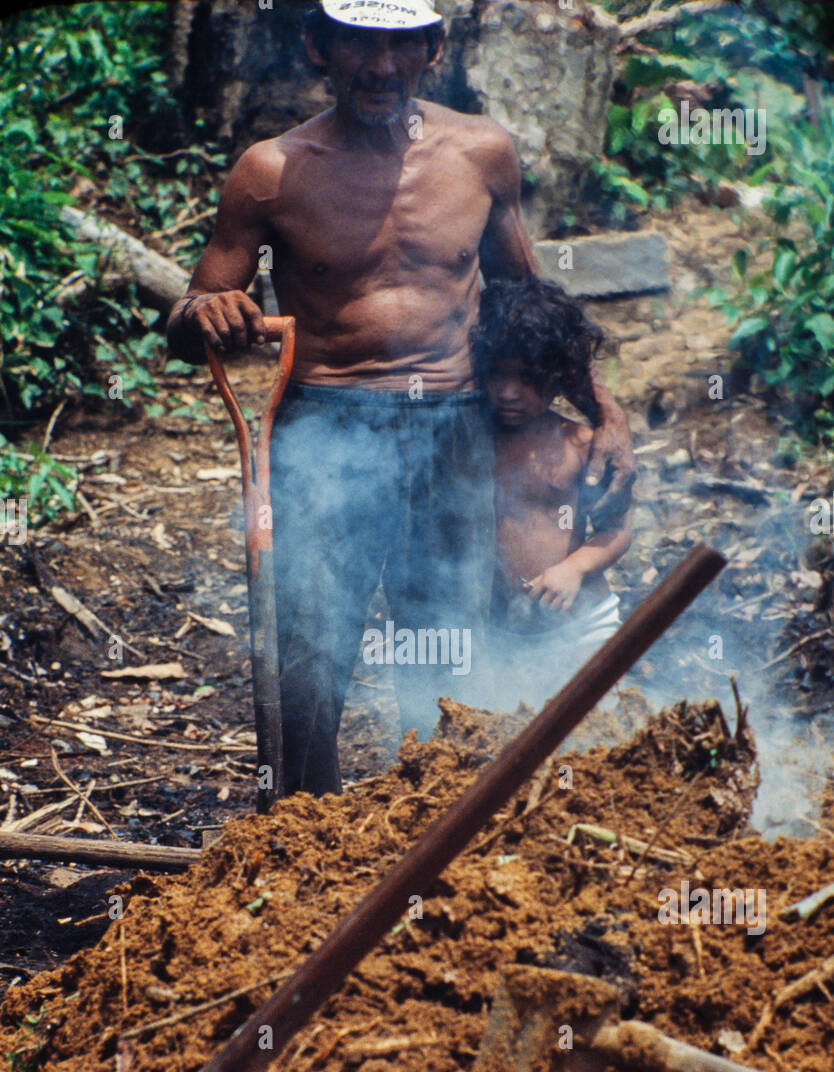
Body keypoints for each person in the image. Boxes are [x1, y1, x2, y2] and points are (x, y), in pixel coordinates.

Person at [166, 0, 635, 794]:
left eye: (399, 47)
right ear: (319, 45)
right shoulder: (271, 171)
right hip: (324, 426)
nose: (380, 69)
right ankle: (298, 826)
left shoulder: (482, 153)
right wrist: (204, 312)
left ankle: (438, 823)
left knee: (447, 635)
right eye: (359, 45)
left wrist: (604, 409)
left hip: (453, 426)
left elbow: (531, 304)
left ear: (433, 48)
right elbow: (188, 321)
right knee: (309, 645)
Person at [471, 278, 633, 710]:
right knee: (515, 739)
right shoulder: (469, 441)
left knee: (594, 737)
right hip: (505, 634)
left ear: (558, 377)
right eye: (497, 374)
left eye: (526, 379)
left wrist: (575, 569)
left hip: (581, 626)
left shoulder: (580, 444)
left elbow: (617, 530)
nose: (507, 391)